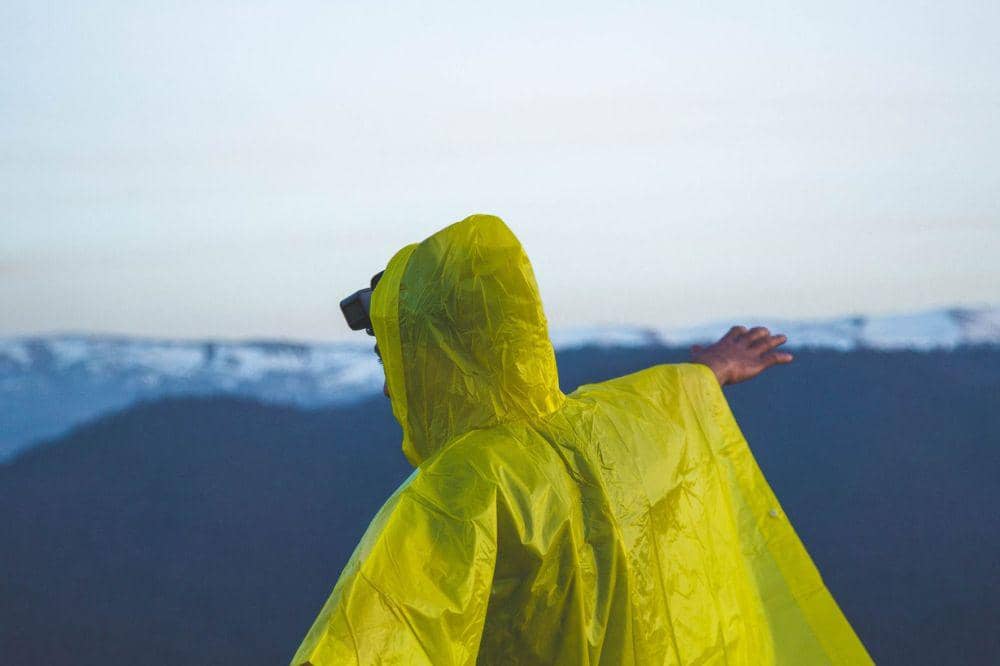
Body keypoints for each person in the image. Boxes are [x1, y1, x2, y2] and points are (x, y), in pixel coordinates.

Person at [291, 214, 871, 665]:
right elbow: (670, 401)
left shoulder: (458, 491)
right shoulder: (613, 423)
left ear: (430, 361)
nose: (391, 381)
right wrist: (714, 368)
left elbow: (375, 633)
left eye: (391, 354)